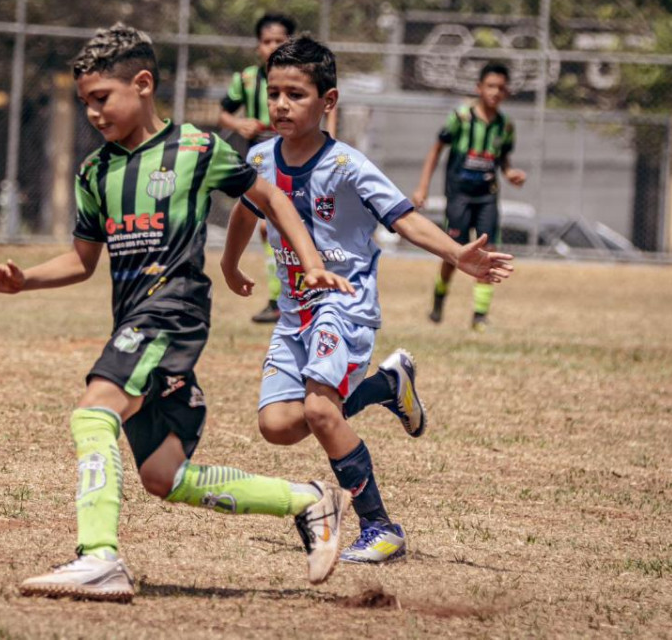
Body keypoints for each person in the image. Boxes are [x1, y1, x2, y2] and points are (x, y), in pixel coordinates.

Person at [0, 23, 357, 603]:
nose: (93, 114)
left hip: (171, 312)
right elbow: (82, 261)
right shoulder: (94, 174)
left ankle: (99, 557)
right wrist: (23, 280)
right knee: (163, 477)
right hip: (136, 324)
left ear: (143, 84)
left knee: (92, 411)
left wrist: (308, 262)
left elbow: (270, 196)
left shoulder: (197, 150)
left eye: (102, 98)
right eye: (85, 104)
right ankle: (307, 500)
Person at [220, 36, 514, 564]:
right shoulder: (260, 157)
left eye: (296, 94)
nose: (281, 105)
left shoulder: (349, 166)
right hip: (296, 313)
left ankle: (381, 528)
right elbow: (247, 210)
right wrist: (228, 262)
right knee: (277, 427)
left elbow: (403, 217)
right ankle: (385, 384)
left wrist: (458, 254)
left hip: (345, 304)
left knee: (319, 411)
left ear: (328, 102)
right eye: (274, 94)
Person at [411, 61, 527, 331]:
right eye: (490, 86)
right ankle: (440, 298)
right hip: (459, 197)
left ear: (506, 92)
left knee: (490, 252)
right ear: (479, 88)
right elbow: (436, 150)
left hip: (487, 196)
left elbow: (503, 160)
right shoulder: (461, 118)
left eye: (501, 87)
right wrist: (422, 187)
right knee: (454, 253)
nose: (495, 92)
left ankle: (479, 316)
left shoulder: (505, 126)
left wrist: (510, 173)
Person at [219, 13, 295, 324]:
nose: (273, 47)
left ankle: (286, 297)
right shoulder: (247, 80)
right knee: (267, 227)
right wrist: (239, 123)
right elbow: (223, 113)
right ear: (258, 47)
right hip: (260, 163)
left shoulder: (300, 76)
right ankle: (279, 299)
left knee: (279, 226)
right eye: (267, 42)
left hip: (294, 158)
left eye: (280, 41)